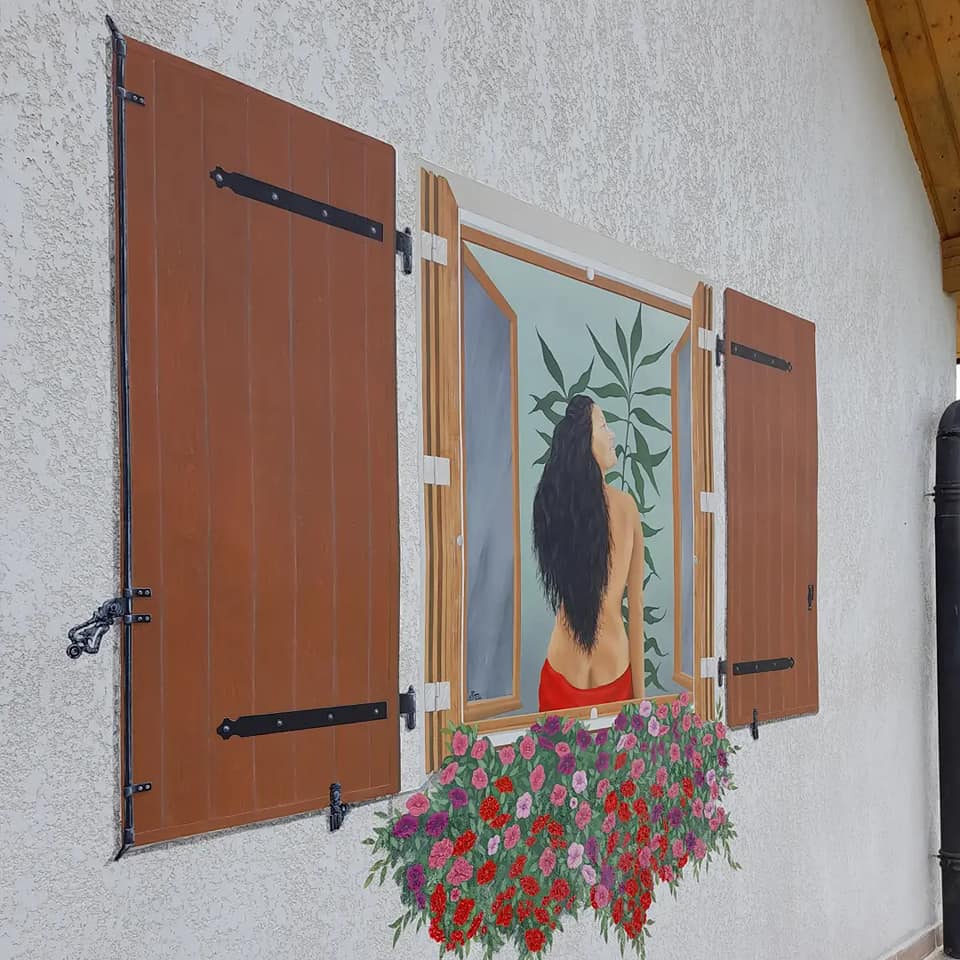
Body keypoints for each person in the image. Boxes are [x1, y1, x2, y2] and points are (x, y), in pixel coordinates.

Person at [533, 394, 645, 712]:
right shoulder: (626, 509)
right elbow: (635, 610)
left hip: (561, 671)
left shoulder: (555, 509)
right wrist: (641, 700)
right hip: (615, 671)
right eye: (604, 425)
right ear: (585, 441)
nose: (612, 434)